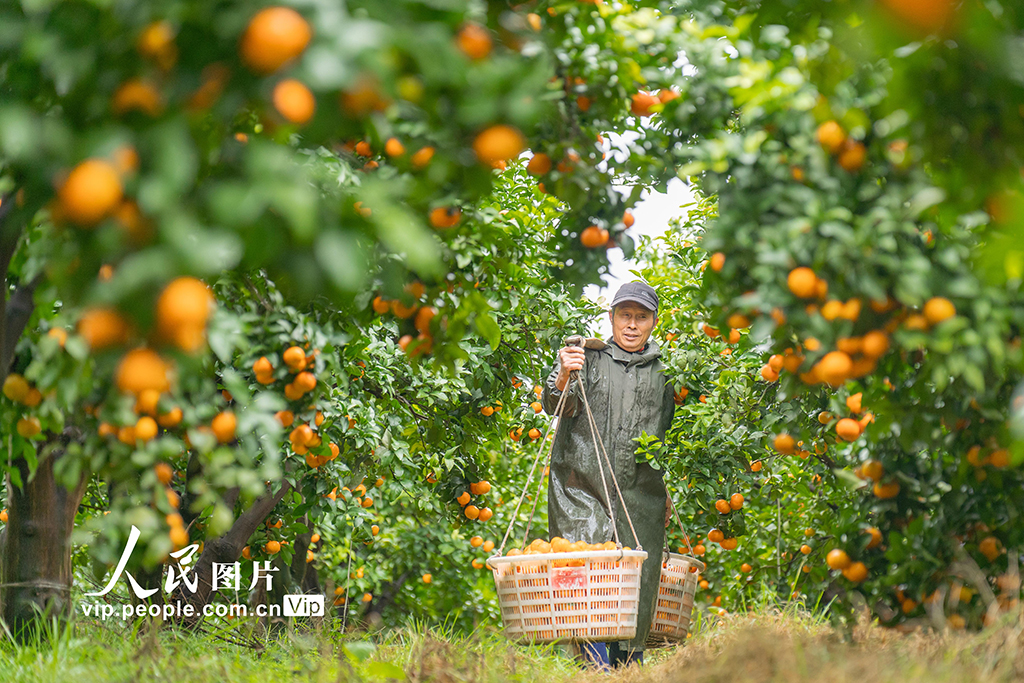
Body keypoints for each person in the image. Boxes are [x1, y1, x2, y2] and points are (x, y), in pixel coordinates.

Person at [540, 280, 675, 669]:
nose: (632, 325)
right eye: (625, 315)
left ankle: (630, 669)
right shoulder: (587, 358)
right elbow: (555, 403)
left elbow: (673, 433)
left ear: (653, 322)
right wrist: (565, 374)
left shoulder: (666, 371)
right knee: (589, 577)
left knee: (638, 581)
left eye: (641, 317)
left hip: (641, 490)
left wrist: (666, 493)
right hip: (581, 486)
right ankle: (595, 670)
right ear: (611, 318)